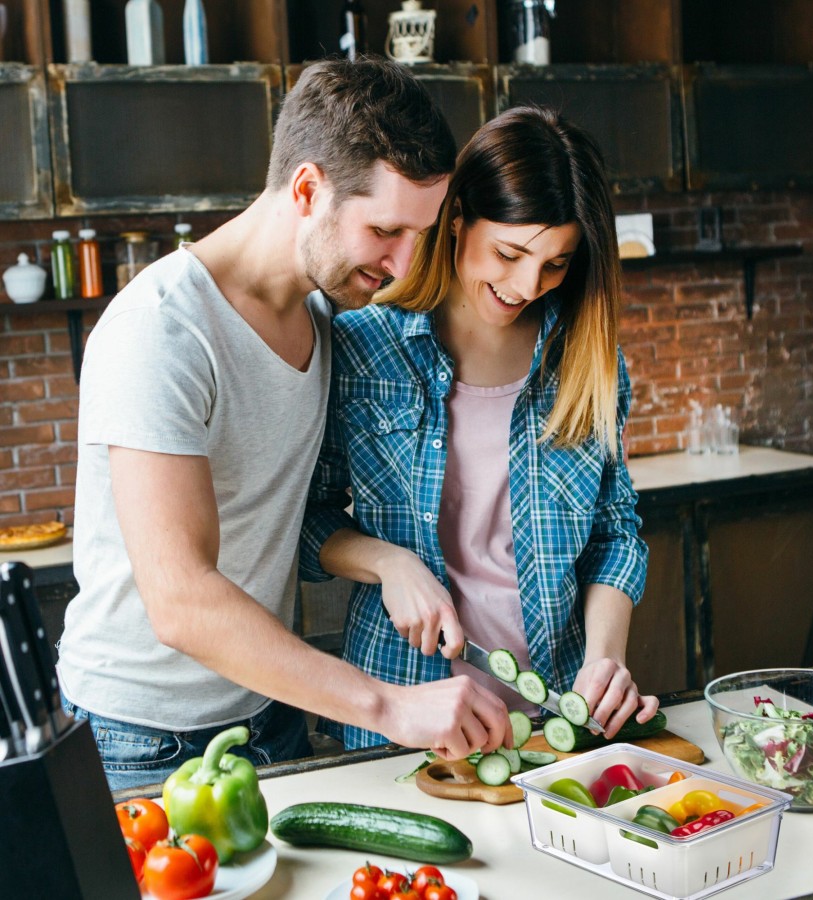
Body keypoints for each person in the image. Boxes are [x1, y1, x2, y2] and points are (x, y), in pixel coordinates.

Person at [56, 57, 511, 792]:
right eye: (385, 230)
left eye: (418, 235)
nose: (402, 265)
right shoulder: (162, 329)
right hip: (139, 741)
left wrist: (391, 560)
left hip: (272, 715)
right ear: (307, 189)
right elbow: (180, 600)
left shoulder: (327, 316)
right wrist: (389, 706)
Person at [300, 105, 658, 751]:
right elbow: (308, 519)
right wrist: (388, 562)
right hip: (404, 708)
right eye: (511, 253)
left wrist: (606, 660)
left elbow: (616, 530)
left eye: (556, 264)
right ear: (457, 218)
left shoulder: (588, 365)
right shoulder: (361, 346)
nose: (527, 285)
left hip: (558, 713)